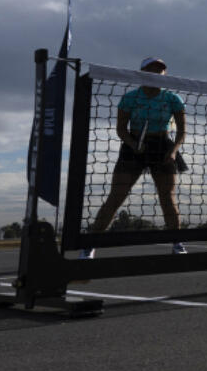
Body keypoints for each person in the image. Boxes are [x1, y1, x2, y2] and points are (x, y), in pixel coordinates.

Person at [80, 57, 188, 258]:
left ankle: (177, 242)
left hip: (162, 145)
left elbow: (182, 132)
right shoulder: (130, 98)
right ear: (142, 73)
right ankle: (90, 244)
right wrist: (132, 144)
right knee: (116, 196)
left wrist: (173, 151)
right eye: (152, 69)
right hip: (134, 144)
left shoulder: (173, 99)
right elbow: (121, 129)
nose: (156, 73)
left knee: (167, 197)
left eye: (160, 70)